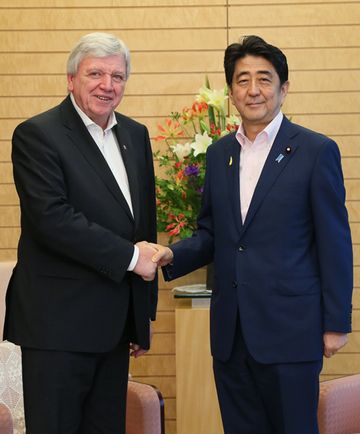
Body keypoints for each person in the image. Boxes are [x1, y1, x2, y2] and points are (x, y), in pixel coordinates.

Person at [152, 35, 353, 434]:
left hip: (290, 331)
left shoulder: (316, 150)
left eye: (265, 78)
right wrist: (171, 255)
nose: (254, 89)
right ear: (231, 92)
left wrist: (336, 323)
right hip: (231, 333)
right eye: (243, 80)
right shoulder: (220, 153)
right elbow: (214, 232)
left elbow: (335, 242)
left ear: (284, 88)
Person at [3, 32, 158, 434]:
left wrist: (140, 318)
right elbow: (52, 219)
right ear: (71, 79)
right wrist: (130, 258)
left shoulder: (135, 136)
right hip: (58, 325)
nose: (108, 85)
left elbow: (143, 225)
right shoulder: (38, 134)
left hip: (113, 326)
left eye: (118, 76)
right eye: (96, 73)